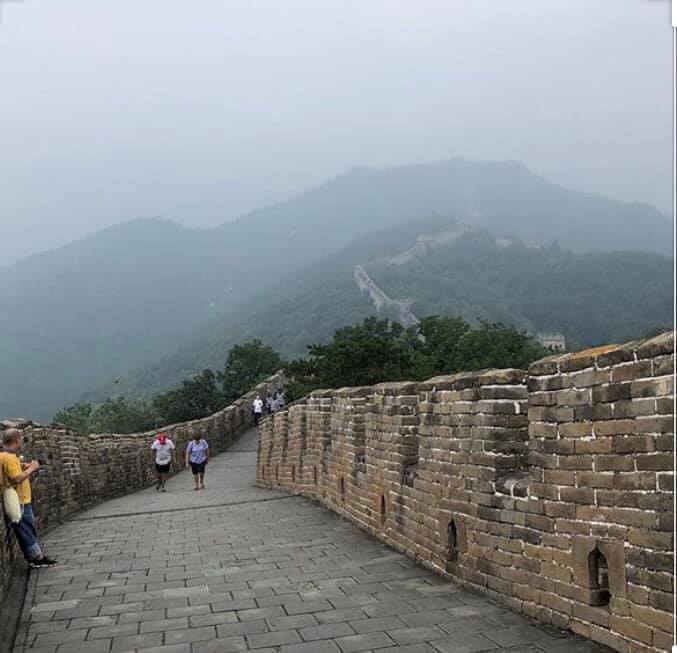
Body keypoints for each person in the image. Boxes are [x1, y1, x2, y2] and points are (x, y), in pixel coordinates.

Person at [0, 429, 58, 568]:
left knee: (26, 529)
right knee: (26, 529)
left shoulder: (5, 455)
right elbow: (16, 478)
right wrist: (32, 468)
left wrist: (21, 466)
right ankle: (37, 558)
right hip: (20, 499)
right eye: (21, 439)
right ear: (17, 440)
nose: (22, 441)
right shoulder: (8, 457)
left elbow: (10, 471)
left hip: (20, 498)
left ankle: (35, 556)